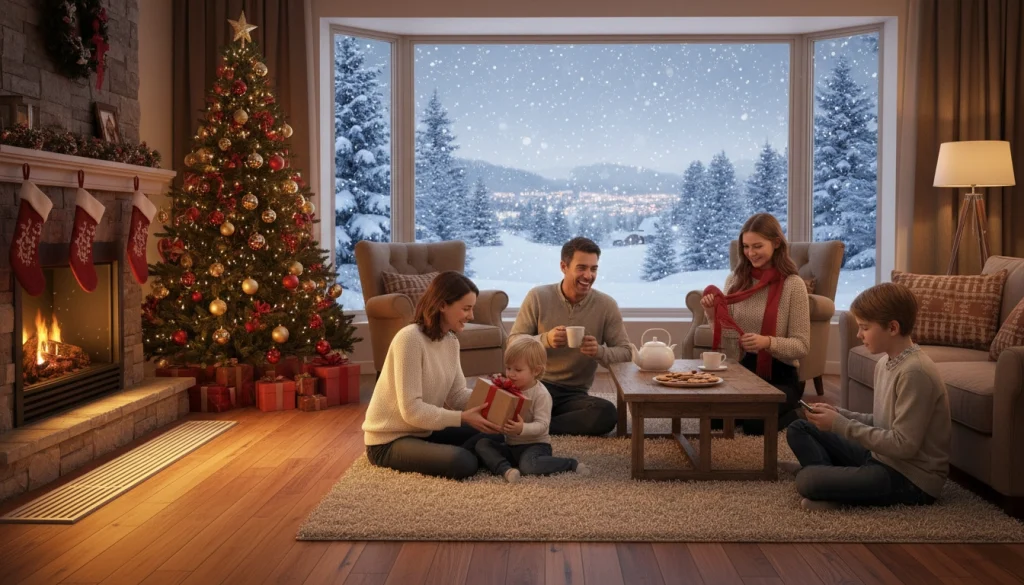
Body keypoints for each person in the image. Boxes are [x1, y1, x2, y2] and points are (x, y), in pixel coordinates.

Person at [786, 282, 951, 511]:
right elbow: (882, 422)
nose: (858, 334)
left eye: (864, 327)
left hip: (910, 477)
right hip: (881, 457)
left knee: (807, 480)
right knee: (799, 428)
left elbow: (904, 446)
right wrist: (839, 414)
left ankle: (829, 482)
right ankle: (837, 483)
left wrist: (840, 425)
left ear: (892, 328)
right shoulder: (885, 362)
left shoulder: (916, 372)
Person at [362, 271, 502, 479]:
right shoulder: (409, 339)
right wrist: (462, 418)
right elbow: (412, 411)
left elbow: (457, 395)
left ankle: (479, 451)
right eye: (466, 309)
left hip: (425, 430)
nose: (471, 316)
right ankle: (478, 453)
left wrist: (495, 401)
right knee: (463, 462)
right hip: (389, 441)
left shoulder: (450, 341)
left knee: (498, 435)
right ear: (442, 305)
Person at [509, 237, 632, 436]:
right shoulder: (538, 296)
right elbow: (513, 342)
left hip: (573, 395)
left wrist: (599, 352)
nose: (588, 275)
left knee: (606, 414)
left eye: (593, 269)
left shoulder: (606, 305)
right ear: (564, 267)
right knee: (498, 407)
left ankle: (538, 426)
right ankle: (538, 422)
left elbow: (626, 353)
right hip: (534, 386)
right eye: (581, 268)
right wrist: (545, 340)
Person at [700, 213, 810, 434]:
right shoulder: (735, 280)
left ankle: (799, 412)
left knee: (755, 425)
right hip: (743, 372)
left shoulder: (793, 285)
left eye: (757, 246)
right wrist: (712, 315)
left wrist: (767, 342)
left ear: (777, 243)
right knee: (713, 420)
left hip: (781, 376)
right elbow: (728, 342)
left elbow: (802, 346)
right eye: (746, 247)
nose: (751, 253)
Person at [475, 337, 590, 482]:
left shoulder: (541, 395)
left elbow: (542, 426)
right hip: (511, 445)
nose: (511, 374)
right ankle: (506, 470)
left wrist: (522, 428)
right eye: (508, 368)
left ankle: (571, 464)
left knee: (529, 466)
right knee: (482, 444)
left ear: (536, 371)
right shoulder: (509, 388)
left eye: (518, 369)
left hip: (536, 446)